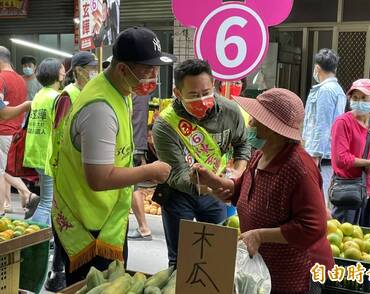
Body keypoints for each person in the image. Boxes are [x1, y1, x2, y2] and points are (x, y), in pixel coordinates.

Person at [52, 27, 175, 285]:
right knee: (95, 287)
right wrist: (150, 172)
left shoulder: (120, 90)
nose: (154, 75)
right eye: (147, 69)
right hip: (88, 226)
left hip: (107, 218)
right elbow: (98, 178)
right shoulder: (100, 108)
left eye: (156, 67)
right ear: (122, 69)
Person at [193, 88, 334, 293]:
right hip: (266, 270)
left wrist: (260, 235)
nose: (249, 124)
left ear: (272, 128)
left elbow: (313, 227)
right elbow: (240, 189)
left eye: (255, 120)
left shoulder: (298, 167)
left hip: (295, 275)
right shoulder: (261, 155)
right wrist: (212, 182)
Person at [152, 59, 251, 267]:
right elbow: (177, 175)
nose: (203, 99)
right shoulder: (165, 125)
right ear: (177, 93)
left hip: (216, 193)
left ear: (213, 84)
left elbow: (243, 145)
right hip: (178, 195)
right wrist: (213, 187)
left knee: (217, 256)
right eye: (194, 95)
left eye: (207, 92)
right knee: (181, 260)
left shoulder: (230, 112)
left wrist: (235, 177)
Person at [44, 52, 98, 292]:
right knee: (66, 226)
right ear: (77, 70)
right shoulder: (69, 96)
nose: (95, 72)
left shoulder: (93, 94)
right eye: (91, 68)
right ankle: (60, 274)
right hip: (67, 171)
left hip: (83, 172)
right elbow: (60, 137)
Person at [331, 79, 370, 228]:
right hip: (347, 190)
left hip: (369, 189)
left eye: (364, 98)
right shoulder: (342, 122)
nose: (359, 102)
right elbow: (341, 159)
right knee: (344, 239)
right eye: (355, 98)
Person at [23, 58, 65, 226]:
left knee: (48, 200)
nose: (64, 72)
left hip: (37, 152)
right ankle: (35, 238)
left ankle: (46, 238)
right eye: (62, 69)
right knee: (47, 202)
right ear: (56, 74)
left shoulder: (40, 95)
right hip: (48, 154)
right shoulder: (57, 98)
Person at [302, 49, 347, 202]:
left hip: (320, 158)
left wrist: (314, 157)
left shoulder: (326, 91)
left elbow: (322, 125)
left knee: (316, 199)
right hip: (325, 155)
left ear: (317, 68)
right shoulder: (337, 90)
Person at [0, 46, 37, 217]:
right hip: (15, 131)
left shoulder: (1, 78)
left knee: (2, 172)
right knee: (5, 169)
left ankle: (24, 195)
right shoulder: (21, 80)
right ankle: (12, 201)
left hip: (2, 131)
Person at [128, 94, 154, 240]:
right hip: (137, 144)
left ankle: (143, 227)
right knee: (131, 186)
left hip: (132, 144)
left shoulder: (132, 92)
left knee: (132, 186)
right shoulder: (141, 93)